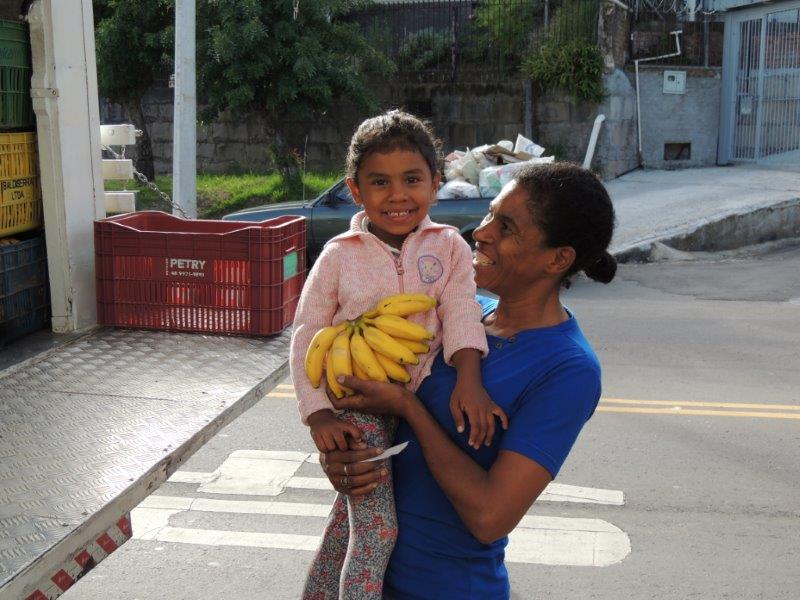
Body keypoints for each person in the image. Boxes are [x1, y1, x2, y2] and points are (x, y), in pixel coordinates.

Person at [319, 162, 617, 599]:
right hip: (368, 578)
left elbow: (490, 516)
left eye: (507, 227)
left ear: (558, 259)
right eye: (490, 215)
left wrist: (409, 410)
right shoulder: (453, 311)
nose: (482, 232)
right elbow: (371, 408)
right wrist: (344, 460)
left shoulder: (568, 369)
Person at [289, 110, 508, 599]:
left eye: (412, 180)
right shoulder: (339, 255)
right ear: (355, 190)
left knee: (347, 526)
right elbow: (307, 334)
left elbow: (459, 310)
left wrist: (469, 379)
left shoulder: (448, 245)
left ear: (435, 183)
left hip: (422, 401)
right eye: (380, 182)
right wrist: (318, 414)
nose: (397, 195)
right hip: (358, 406)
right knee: (376, 532)